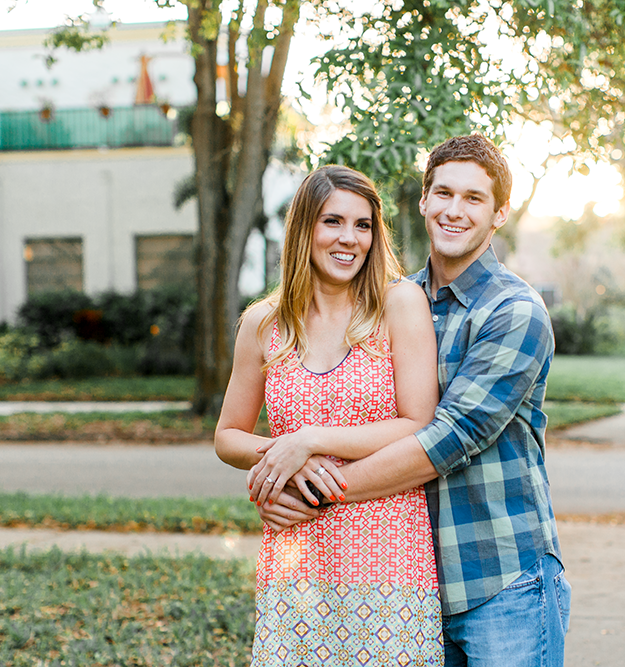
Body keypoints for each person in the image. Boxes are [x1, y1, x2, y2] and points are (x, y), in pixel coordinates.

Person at [251, 135, 571, 667]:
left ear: (499, 215)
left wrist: (306, 495)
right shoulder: (390, 302)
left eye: (474, 198)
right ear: (422, 201)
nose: (454, 210)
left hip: (500, 578)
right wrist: (275, 478)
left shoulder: (514, 312)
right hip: (410, 582)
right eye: (443, 193)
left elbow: (446, 439)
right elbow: (336, 408)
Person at [214, 165, 444, 666]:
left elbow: (418, 422)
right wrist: (283, 461)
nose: (349, 238)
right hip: (294, 556)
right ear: (304, 230)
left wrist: (310, 440)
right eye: (332, 221)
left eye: (363, 225)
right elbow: (228, 435)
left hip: (388, 553)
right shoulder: (263, 323)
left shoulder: (399, 303)